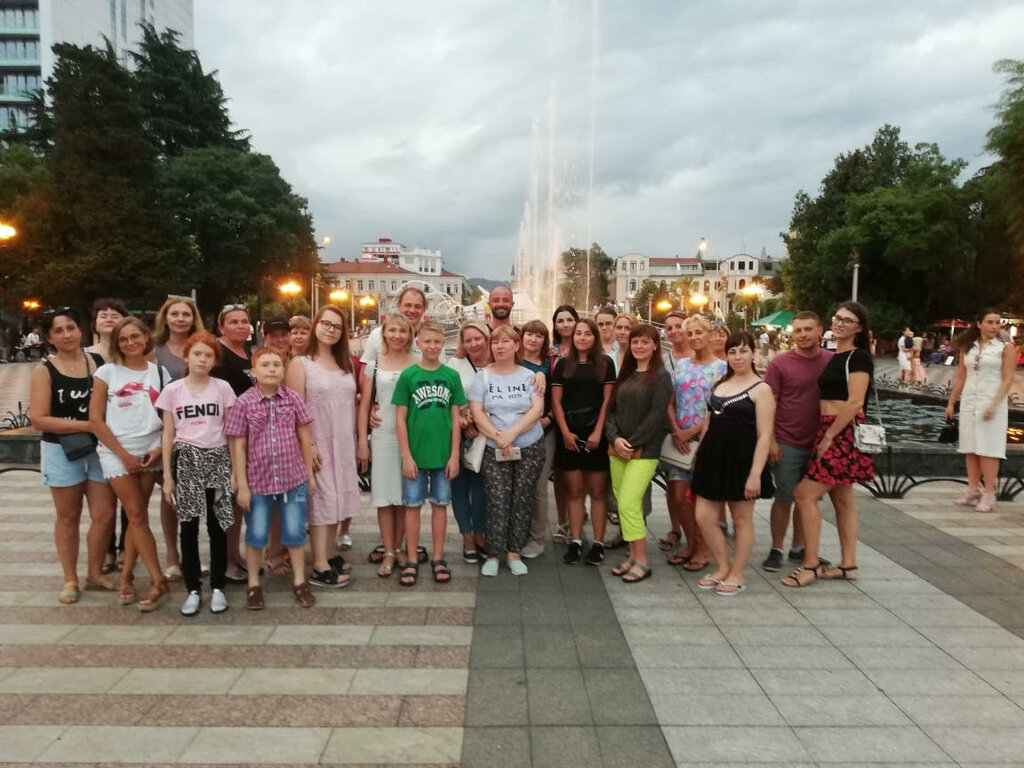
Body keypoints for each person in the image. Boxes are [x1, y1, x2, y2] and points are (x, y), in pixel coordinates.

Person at [783, 302, 875, 588]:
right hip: (832, 429)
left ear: (859, 328)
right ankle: (849, 565)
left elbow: (856, 402)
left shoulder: (859, 357)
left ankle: (810, 564)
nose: (840, 323)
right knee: (843, 500)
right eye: (838, 318)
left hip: (840, 431)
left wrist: (829, 436)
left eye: (848, 320)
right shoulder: (837, 355)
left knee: (804, 495)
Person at [30, 308, 116, 604]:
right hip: (60, 449)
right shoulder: (45, 370)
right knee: (68, 516)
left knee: (104, 514)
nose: (67, 335)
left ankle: (94, 571)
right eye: (59, 330)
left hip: (100, 449)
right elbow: (38, 418)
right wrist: (88, 425)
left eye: (71, 328)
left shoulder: (99, 363)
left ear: (81, 330)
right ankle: (70, 578)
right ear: (49, 338)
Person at [89, 317, 170, 611]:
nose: (130, 343)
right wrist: (122, 455)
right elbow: (95, 419)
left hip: (150, 451)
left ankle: (126, 577)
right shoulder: (106, 372)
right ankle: (157, 579)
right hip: (116, 452)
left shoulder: (159, 372)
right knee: (135, 513)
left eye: (135, 336)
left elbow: (169, 417)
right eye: (123, 339)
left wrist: (160, 450)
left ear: (146, 337)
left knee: (138, 517)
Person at [226, 348, 317, 609]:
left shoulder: (292, 398)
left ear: (283, 370)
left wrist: (309, 476)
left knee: (295, 532)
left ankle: (299, 581)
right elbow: (238, 445)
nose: (272, 369)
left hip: (293, 479)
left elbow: (304, 438)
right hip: (258, 482)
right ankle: (254, 584)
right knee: (256, 534)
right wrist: (241, 484)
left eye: (276, 364)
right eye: (265, 365)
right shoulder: (244, 402)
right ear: (254, 371)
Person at [156, 332, 236, 615]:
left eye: (208, 355)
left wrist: (235, 471)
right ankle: (193, 588)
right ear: (187, 356)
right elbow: (168, 434)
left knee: (217, 526)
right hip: (187, 459)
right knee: (188, 526)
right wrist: (168, 476)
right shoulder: (173, 391)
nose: (202, 359)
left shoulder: (223, 388)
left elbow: (232, 432)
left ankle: (218, 587)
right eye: (197, 354)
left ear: (215, 361)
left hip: (217, 458)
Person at [691, 331, 775, 595]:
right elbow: (708, 423)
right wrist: (699, 455)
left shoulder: (762, 389)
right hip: (713, 458)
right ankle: (722, 566)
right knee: (704, 516)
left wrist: (755, 474)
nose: (738, 357)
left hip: (743, 460)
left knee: (741, 519)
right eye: (732, 351)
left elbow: (765, 436)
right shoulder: (720, 384)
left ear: (753, 353)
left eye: (743, 350)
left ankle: (737, 573)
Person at [286, 305, 360, 589]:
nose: (331, 330)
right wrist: (308, 445)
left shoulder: (345, 363)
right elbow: (294, 408)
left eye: (337, 327)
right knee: (322, 499)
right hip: (317, 440)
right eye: (326, 324)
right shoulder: (301, 363)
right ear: (316, 325)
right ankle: (318, 565)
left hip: (343, 439)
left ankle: (329, 554)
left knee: (338, 497)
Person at [469, 326, 546, 576]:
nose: (499, 346)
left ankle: (514, 552)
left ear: (516, 346)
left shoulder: (529, 376)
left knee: (522, 498)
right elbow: (477, 412)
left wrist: (513, 433)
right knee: (497, 499)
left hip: (529, 445)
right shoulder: (482, 377)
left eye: (505, 342)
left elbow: (537, 409)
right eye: (495, 342)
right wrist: (498, 436)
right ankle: (493, 553)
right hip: (494, 447)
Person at [393, 320, 465, 586]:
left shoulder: (451, 376)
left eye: (437, 342)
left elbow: (455, 419)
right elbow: (400, 418)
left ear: (443, 343)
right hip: (415, 455)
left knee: (440, 505)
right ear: (418, 343)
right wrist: (406, 455)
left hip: (443, 456)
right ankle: (412, 558)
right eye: (428, 341)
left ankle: (437, 557)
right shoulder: (408, 376)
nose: (433, 346)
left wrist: (454, 455)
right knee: (412, 507)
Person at [761, 311, 833, 572]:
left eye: (808, 329)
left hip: (819, 442)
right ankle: (776, 548)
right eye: (798, 330)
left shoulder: (831, 361)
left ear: (820, 330)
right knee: (785, 496)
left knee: (809, 499)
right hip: (787, 440)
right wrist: (771, 441)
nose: (802, 335)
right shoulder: (780, 364)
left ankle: (800, 547)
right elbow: (769, 404)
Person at [606, 324, 673, 583]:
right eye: (635, 342)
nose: (639, 346)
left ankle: (642, 560)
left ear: (655, 345)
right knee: (623, 503)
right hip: (617, 448)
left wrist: (630, 443)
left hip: (644, 451)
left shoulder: (661, 377)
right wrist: (616, 438)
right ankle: (632, 556)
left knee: (629, 503)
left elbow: (656, 417)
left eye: (645, 342)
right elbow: (611, 410)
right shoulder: (627, 373)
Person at [662, 315, 727, 571]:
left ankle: (703, 550)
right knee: (680, 497)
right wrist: (677, 430)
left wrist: (693, 431)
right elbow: (670, 402)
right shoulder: (681, 366)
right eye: (690, 333)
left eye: (699, 332)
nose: (694, 337)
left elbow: (720, 407)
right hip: (682, 441)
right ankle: (691, 544)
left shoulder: (722, 368)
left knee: (701, 499)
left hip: (707, 439)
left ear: (710, 334)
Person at [551, 317, 616, 565]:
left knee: (598, 490)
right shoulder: (563, 365)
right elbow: (556, 401)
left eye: (588, 333)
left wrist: (599, 432)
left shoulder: (605, 364)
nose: (582, 337)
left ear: (594, 337)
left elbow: (608, 401)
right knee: (574, 490)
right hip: (570, 434)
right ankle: (576, 541)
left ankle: (598, 543)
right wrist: (565, 432)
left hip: (595, 433)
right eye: (578, 333)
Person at [150, 295, 205, 583]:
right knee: (169, 496)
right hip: (164, 430)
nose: (181, 319)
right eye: (175, 314)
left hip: (196, 432)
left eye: (186, 314)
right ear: (166, 318)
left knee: (191, 498)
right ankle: (173, 557)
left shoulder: (201, 347)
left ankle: (191, 555)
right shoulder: (155, 350)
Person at [358, 313, 417, 577]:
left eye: (403, 331)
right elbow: (364, 405)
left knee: (404, 496)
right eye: (392, 330)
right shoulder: (374, 365)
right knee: (384, 496)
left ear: (410, 335)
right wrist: (363, 441)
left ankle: (401, 547)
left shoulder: (417, 364)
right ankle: (389, 551)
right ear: (384, 333)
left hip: (409, 435)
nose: (397, 336)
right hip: (382, 433)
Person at [945, 308, 1016, 513]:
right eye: (990, 322)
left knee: (988, 449)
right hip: (970, 402)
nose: (994, 326)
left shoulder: (1005, 347)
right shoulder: (968, 347)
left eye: (997, 322)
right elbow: (961, 377)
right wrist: (951, 403)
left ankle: (990, 493)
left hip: (992, 403)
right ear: (979, 324)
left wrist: (994, 405)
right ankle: (973, 488)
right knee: (970, 447)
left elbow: (1008, 379)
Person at [211, 304, 254, 583]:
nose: (240, 326)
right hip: (225, 435)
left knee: (237, 500)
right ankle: (225, 561)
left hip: (247, 435)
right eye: (233, 321)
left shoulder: (247, 352)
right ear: (221, 327)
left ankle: (234, 554)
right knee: (225, 500)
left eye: (244, 321)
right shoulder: (218, 354)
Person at [446, 321, 491, 563]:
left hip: (488, 435)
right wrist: (463, 420)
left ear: (486, 338)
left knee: (482, 487)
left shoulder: (497, 362)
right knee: (460, 486)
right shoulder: (455, 364)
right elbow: (446, 397)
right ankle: (467, 536)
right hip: (460, 433)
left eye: (478, 338)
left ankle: (480, 532)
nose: (474, 344)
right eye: (468, 340)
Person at [519, 319, 556, 558]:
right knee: (519, 485)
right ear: (521, 337)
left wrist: (548, 419)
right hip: (516, 432)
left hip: (544, 431)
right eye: (529, 334)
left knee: (539, 485)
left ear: (545, 340)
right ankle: (519, 532)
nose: (533, 339)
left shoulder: (551, 364)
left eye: (539, 336)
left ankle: (537, 538)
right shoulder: (513, 361)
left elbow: (559, 398)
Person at [549, 304, 579, 544]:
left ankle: (578, 514)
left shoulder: (585, 349)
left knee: (578, 473)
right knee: (560, 473)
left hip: (580, 418)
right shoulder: (550, 352)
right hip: (554, 418)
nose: (565, 324)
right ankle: (563, 521)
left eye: (570, 319)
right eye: (560, 320)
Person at [361, 286, 435, 365]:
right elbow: (365, 369)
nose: (412, 310)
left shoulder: (432, 338)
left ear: (424, 309)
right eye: (407, 305)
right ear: (398, 306)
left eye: (417, 306)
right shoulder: (377, 335)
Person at [662, 310, 691, 375]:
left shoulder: (703, 356)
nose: (674, 331)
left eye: (679, 326)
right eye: (669, 328)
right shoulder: (661, 361)